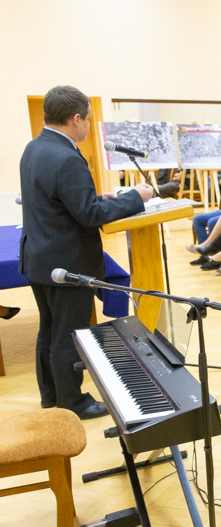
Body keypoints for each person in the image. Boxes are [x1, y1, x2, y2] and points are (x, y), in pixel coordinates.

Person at [20, 85, 154, 419]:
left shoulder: (34, 148)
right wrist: (137, 197)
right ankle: (73, 403)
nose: (89, 127)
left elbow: (63, 203)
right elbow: (89, 215)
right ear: (76, 118)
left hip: (40, 257)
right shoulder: (66, 156)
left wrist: (97, 200)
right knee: (68, 334)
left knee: (49, 330)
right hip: (67, 262)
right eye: (89, 120)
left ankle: (51, 395)